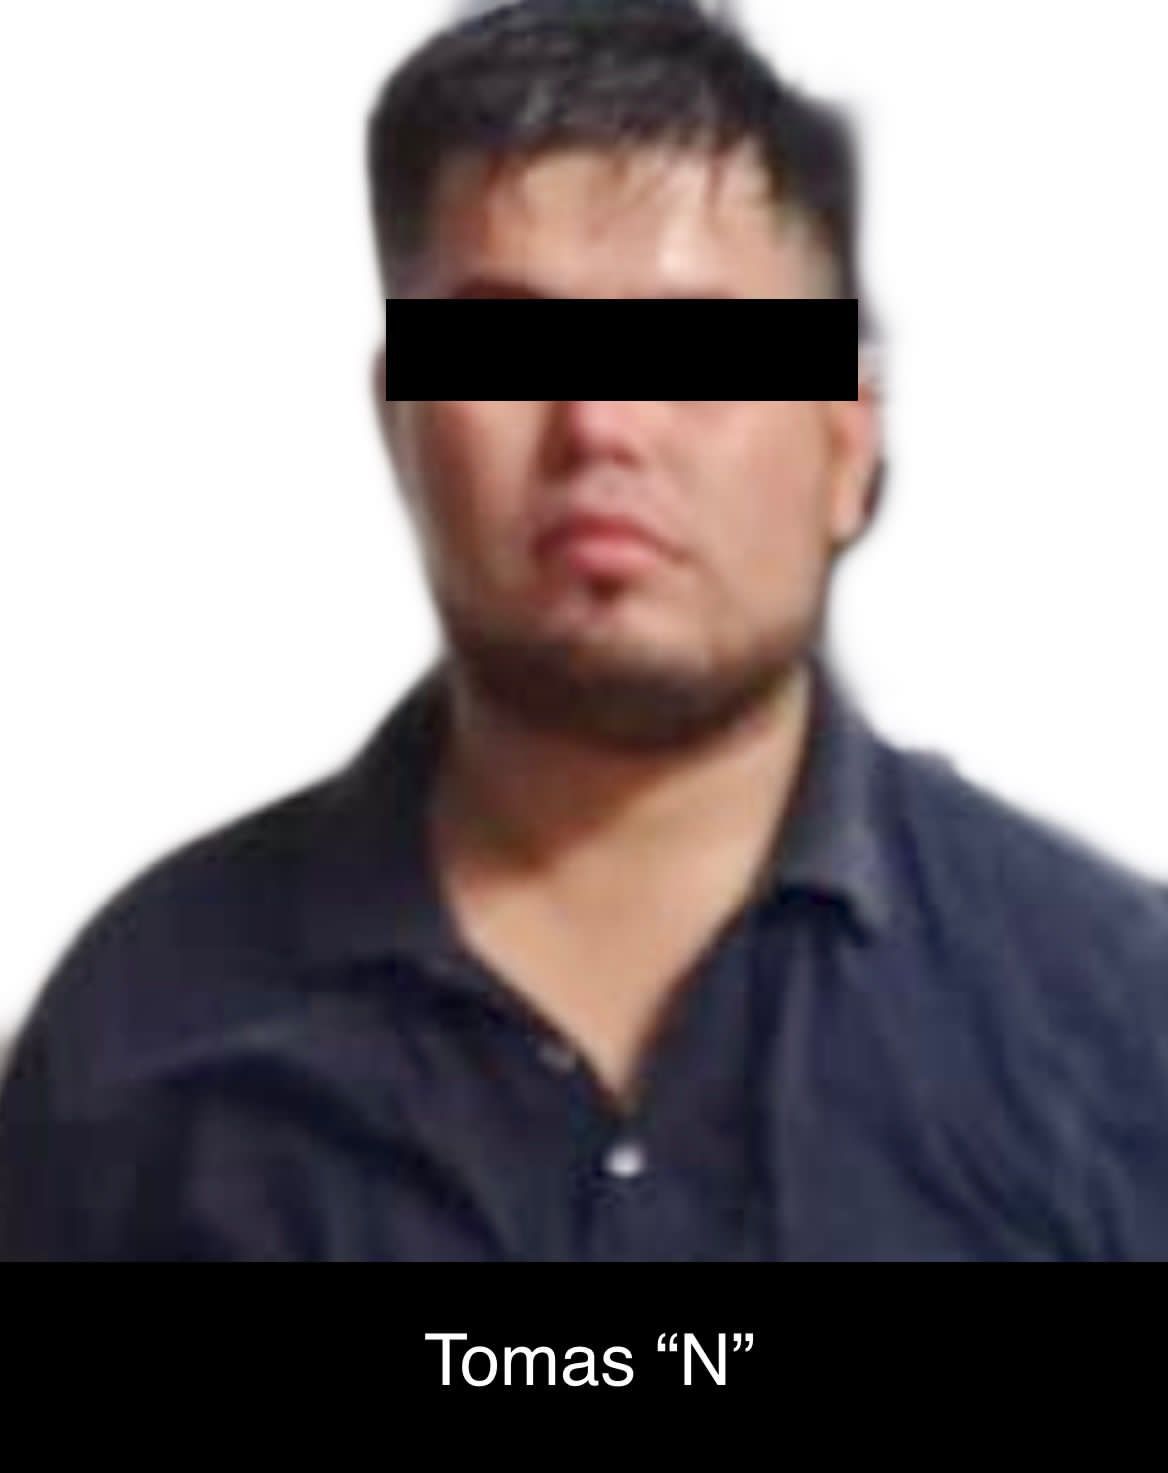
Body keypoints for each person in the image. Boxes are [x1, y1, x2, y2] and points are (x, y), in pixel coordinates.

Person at [2, 0, 1166, 1262]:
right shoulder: (140, 1041)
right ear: (400, 423)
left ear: (846, 441)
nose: (600, 423)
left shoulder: (1110, 1031)